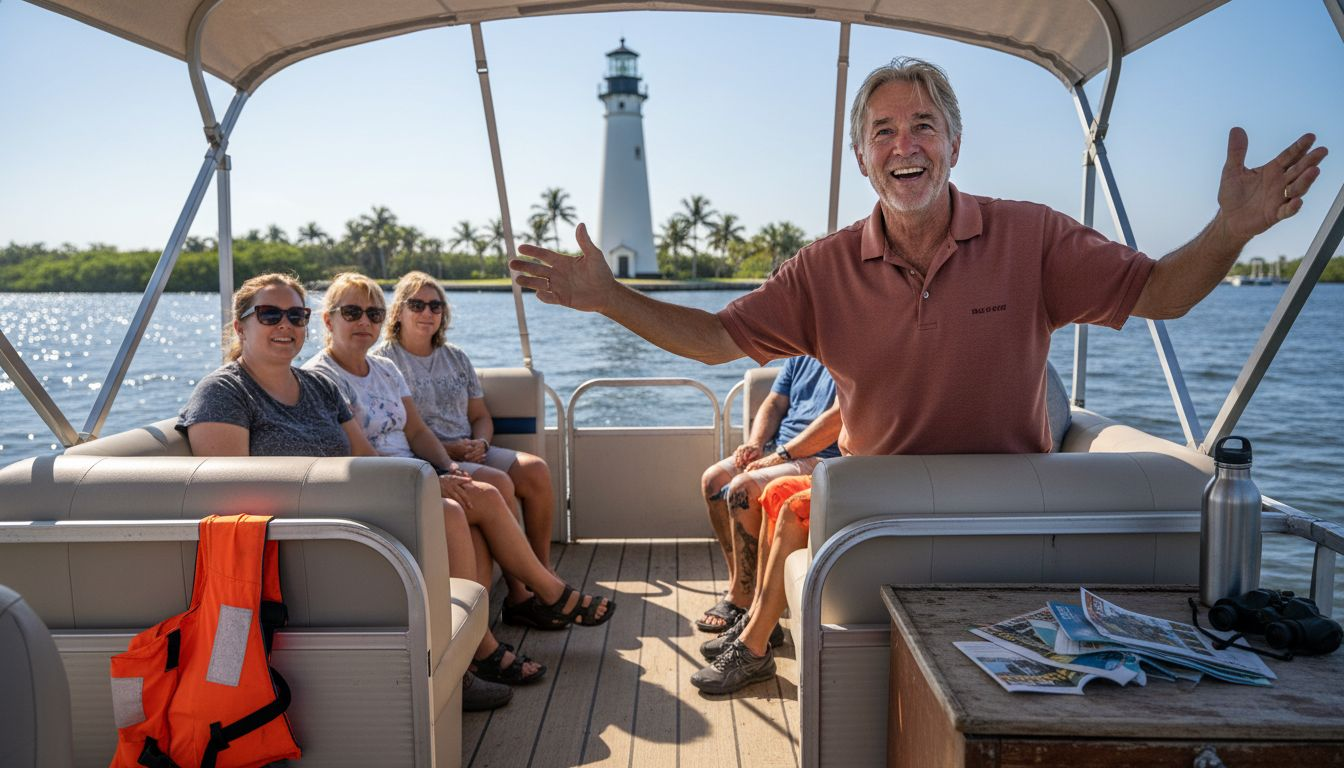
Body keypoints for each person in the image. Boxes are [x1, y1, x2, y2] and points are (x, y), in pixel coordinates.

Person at [510, 56, 1326, 692]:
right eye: (885, 131)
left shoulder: (1032, 238)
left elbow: (1158, 293)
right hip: (877, 522)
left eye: (924, 125)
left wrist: (1229, 229)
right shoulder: (823, 270)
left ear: (954, 144)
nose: (906, 145)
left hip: (1009, 526)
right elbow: (720, 338)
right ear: (862, 158)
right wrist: (611, 298)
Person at [178, 273, 612, 712]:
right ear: (240, 326)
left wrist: (428, 477)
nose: (285, 325)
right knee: (446, 510)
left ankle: (481, 642)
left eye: (295, 314)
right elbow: (228, 491)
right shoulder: (224, 392)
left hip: (348, 506)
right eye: (269, 314)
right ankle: (497, 634)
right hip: (295, 531)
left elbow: (365, 456)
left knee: (454, 504)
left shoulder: (317, 388)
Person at [373, 271, 561, 629]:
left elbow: (480, 415)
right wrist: (447, 450)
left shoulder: (456, 357)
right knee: (496, 484)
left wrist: (482, 442)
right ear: (398, 311)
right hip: (429, 455)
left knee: (535, 469)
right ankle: (522, 593)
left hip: (470, 449)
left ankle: (542, 570)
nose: (427, 312)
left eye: (435, 305)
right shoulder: (384, 362)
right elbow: (403, 431)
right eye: (417, 305)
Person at [696, 356, 840, 633]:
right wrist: (756, 443)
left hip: (818, 456)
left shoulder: (850, 356)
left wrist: (781, 456)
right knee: (713, 481)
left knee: (741, 489)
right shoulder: (801, 356)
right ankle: (741, 586)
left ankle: (747, 603)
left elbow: (837, 419)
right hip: (779, 448)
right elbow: (774, 403)